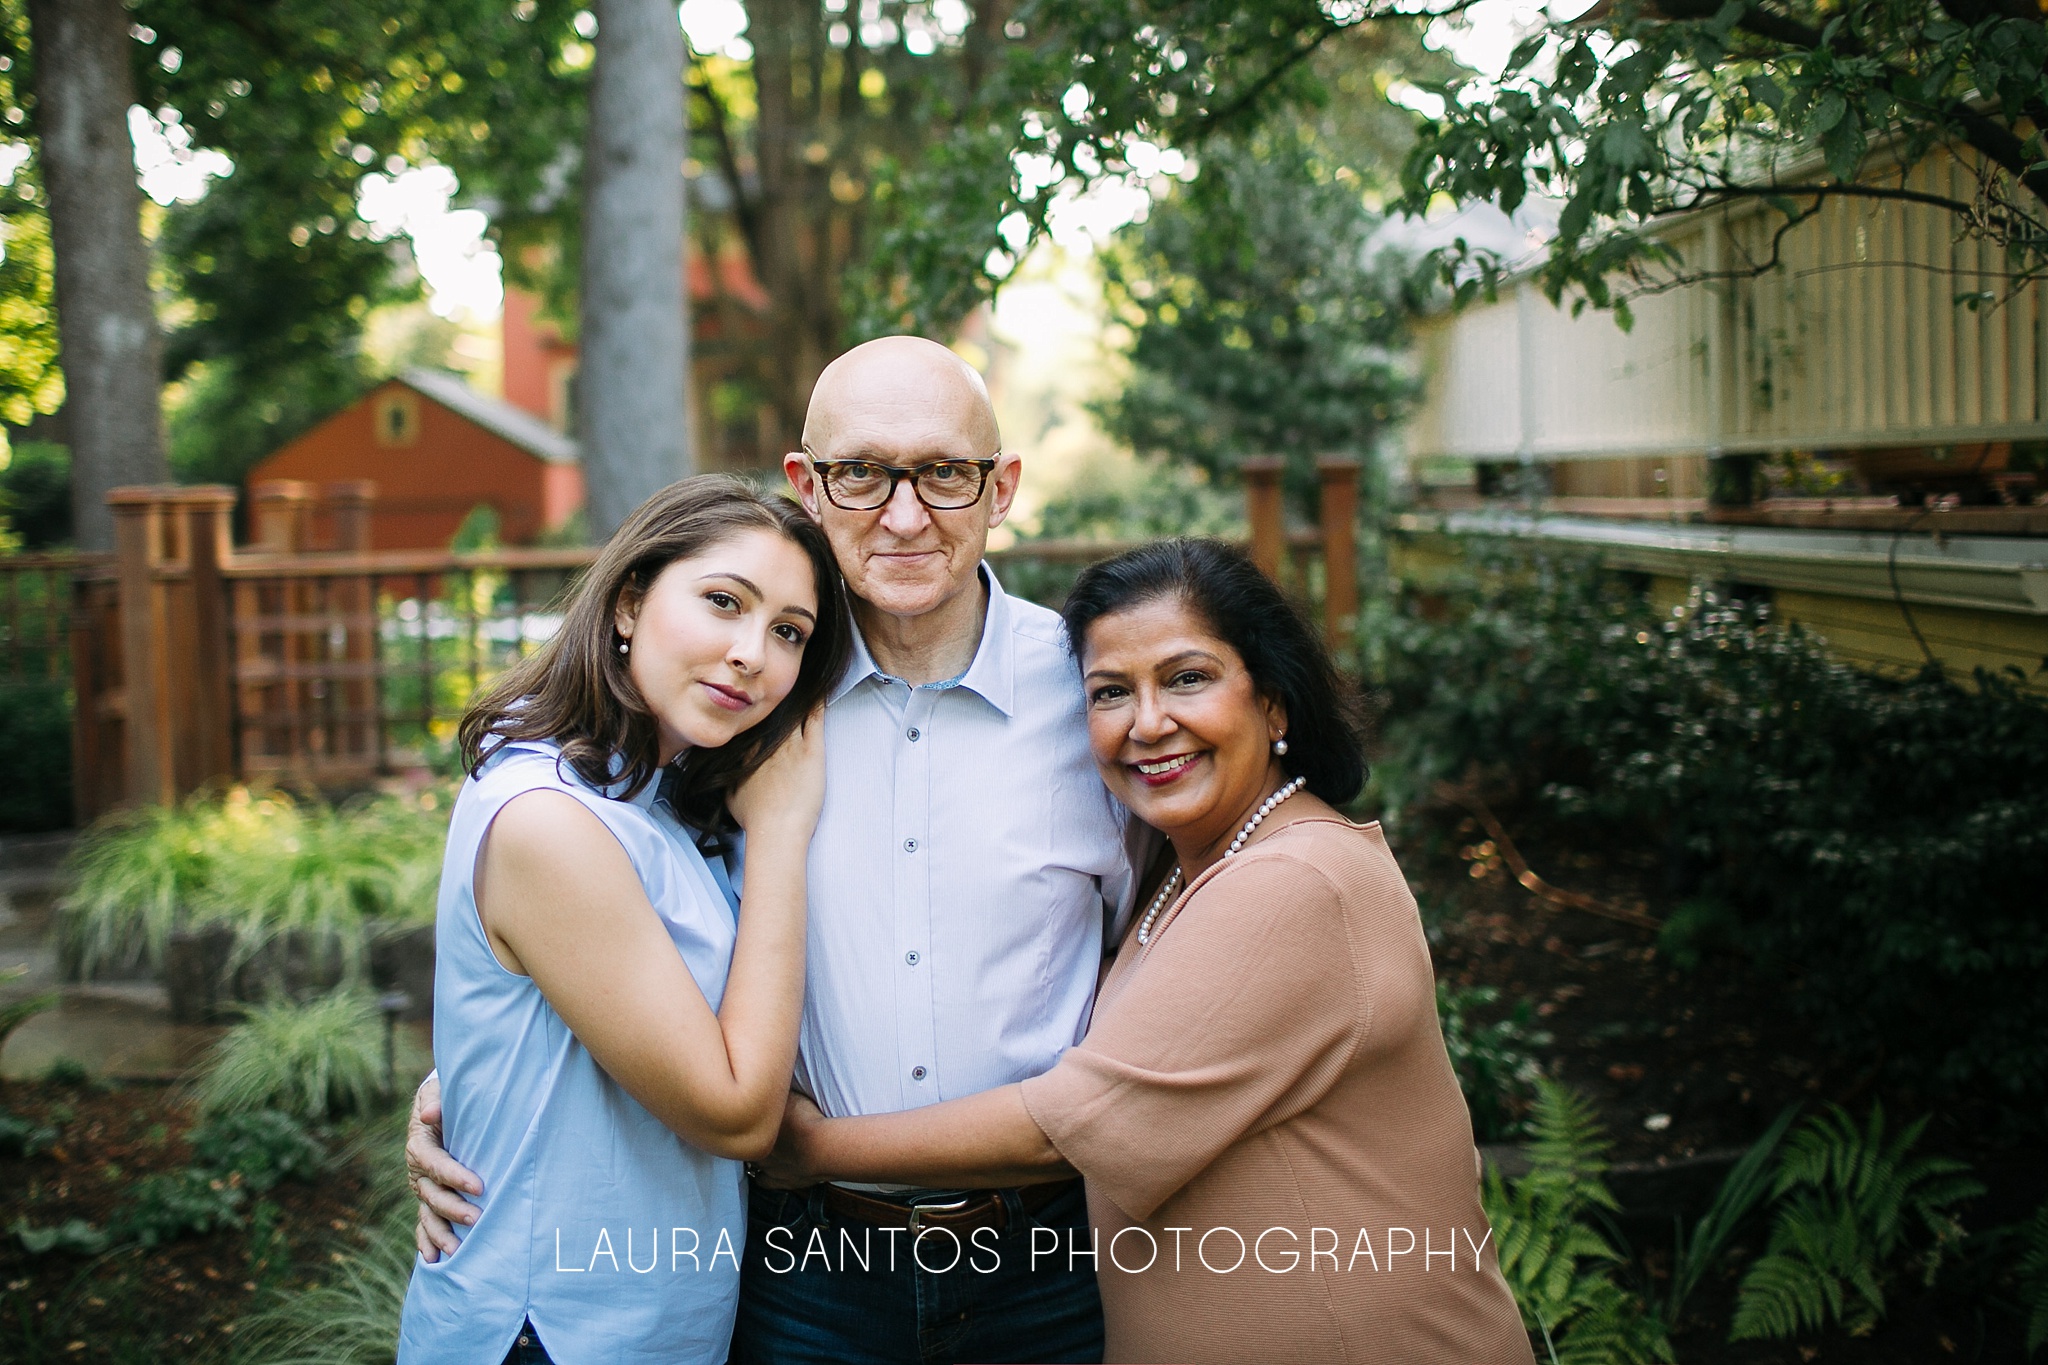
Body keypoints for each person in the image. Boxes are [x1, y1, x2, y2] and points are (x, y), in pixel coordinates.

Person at [409, 337, 1140, 1364]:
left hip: (1046, 1262)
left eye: (941, 471)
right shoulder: (737, 716)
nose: (902, 513)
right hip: (800, 1268)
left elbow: (1171, 946)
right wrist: (472, 1090)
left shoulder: (1097, 700)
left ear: (1000, 485)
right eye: (860, 473)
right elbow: (590, 924)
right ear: (807, 483)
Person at [760, 539, 1537, 1365]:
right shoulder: (1189, 873)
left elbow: (1071, 1127)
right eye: (1109, 693)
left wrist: (809, 1148)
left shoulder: (1299, 880)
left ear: (1275, 702)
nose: (1148, 722)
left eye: (1187, 678)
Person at [396, 476, 849, 1365]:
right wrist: (786, 829)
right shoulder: (548, 818)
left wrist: (456, 1087)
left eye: (788, 631)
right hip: (547, 1333)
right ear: (631, 601)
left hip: (658, 1323)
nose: (753, 652)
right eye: (724, 601)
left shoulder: (661, 802)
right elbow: (734, 1115)